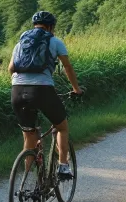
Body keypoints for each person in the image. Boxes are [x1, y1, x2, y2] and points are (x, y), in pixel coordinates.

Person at [8, 11, 83, 179]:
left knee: (29, 135)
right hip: (42, 90)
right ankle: (63, 167)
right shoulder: (55, 41)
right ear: (51, 27)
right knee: (61, 126)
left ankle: (26, 179)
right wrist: (76, 89)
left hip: (17, 91)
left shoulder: (21, 43)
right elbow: (67, 67)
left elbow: (11, 69)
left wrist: (21, 85)